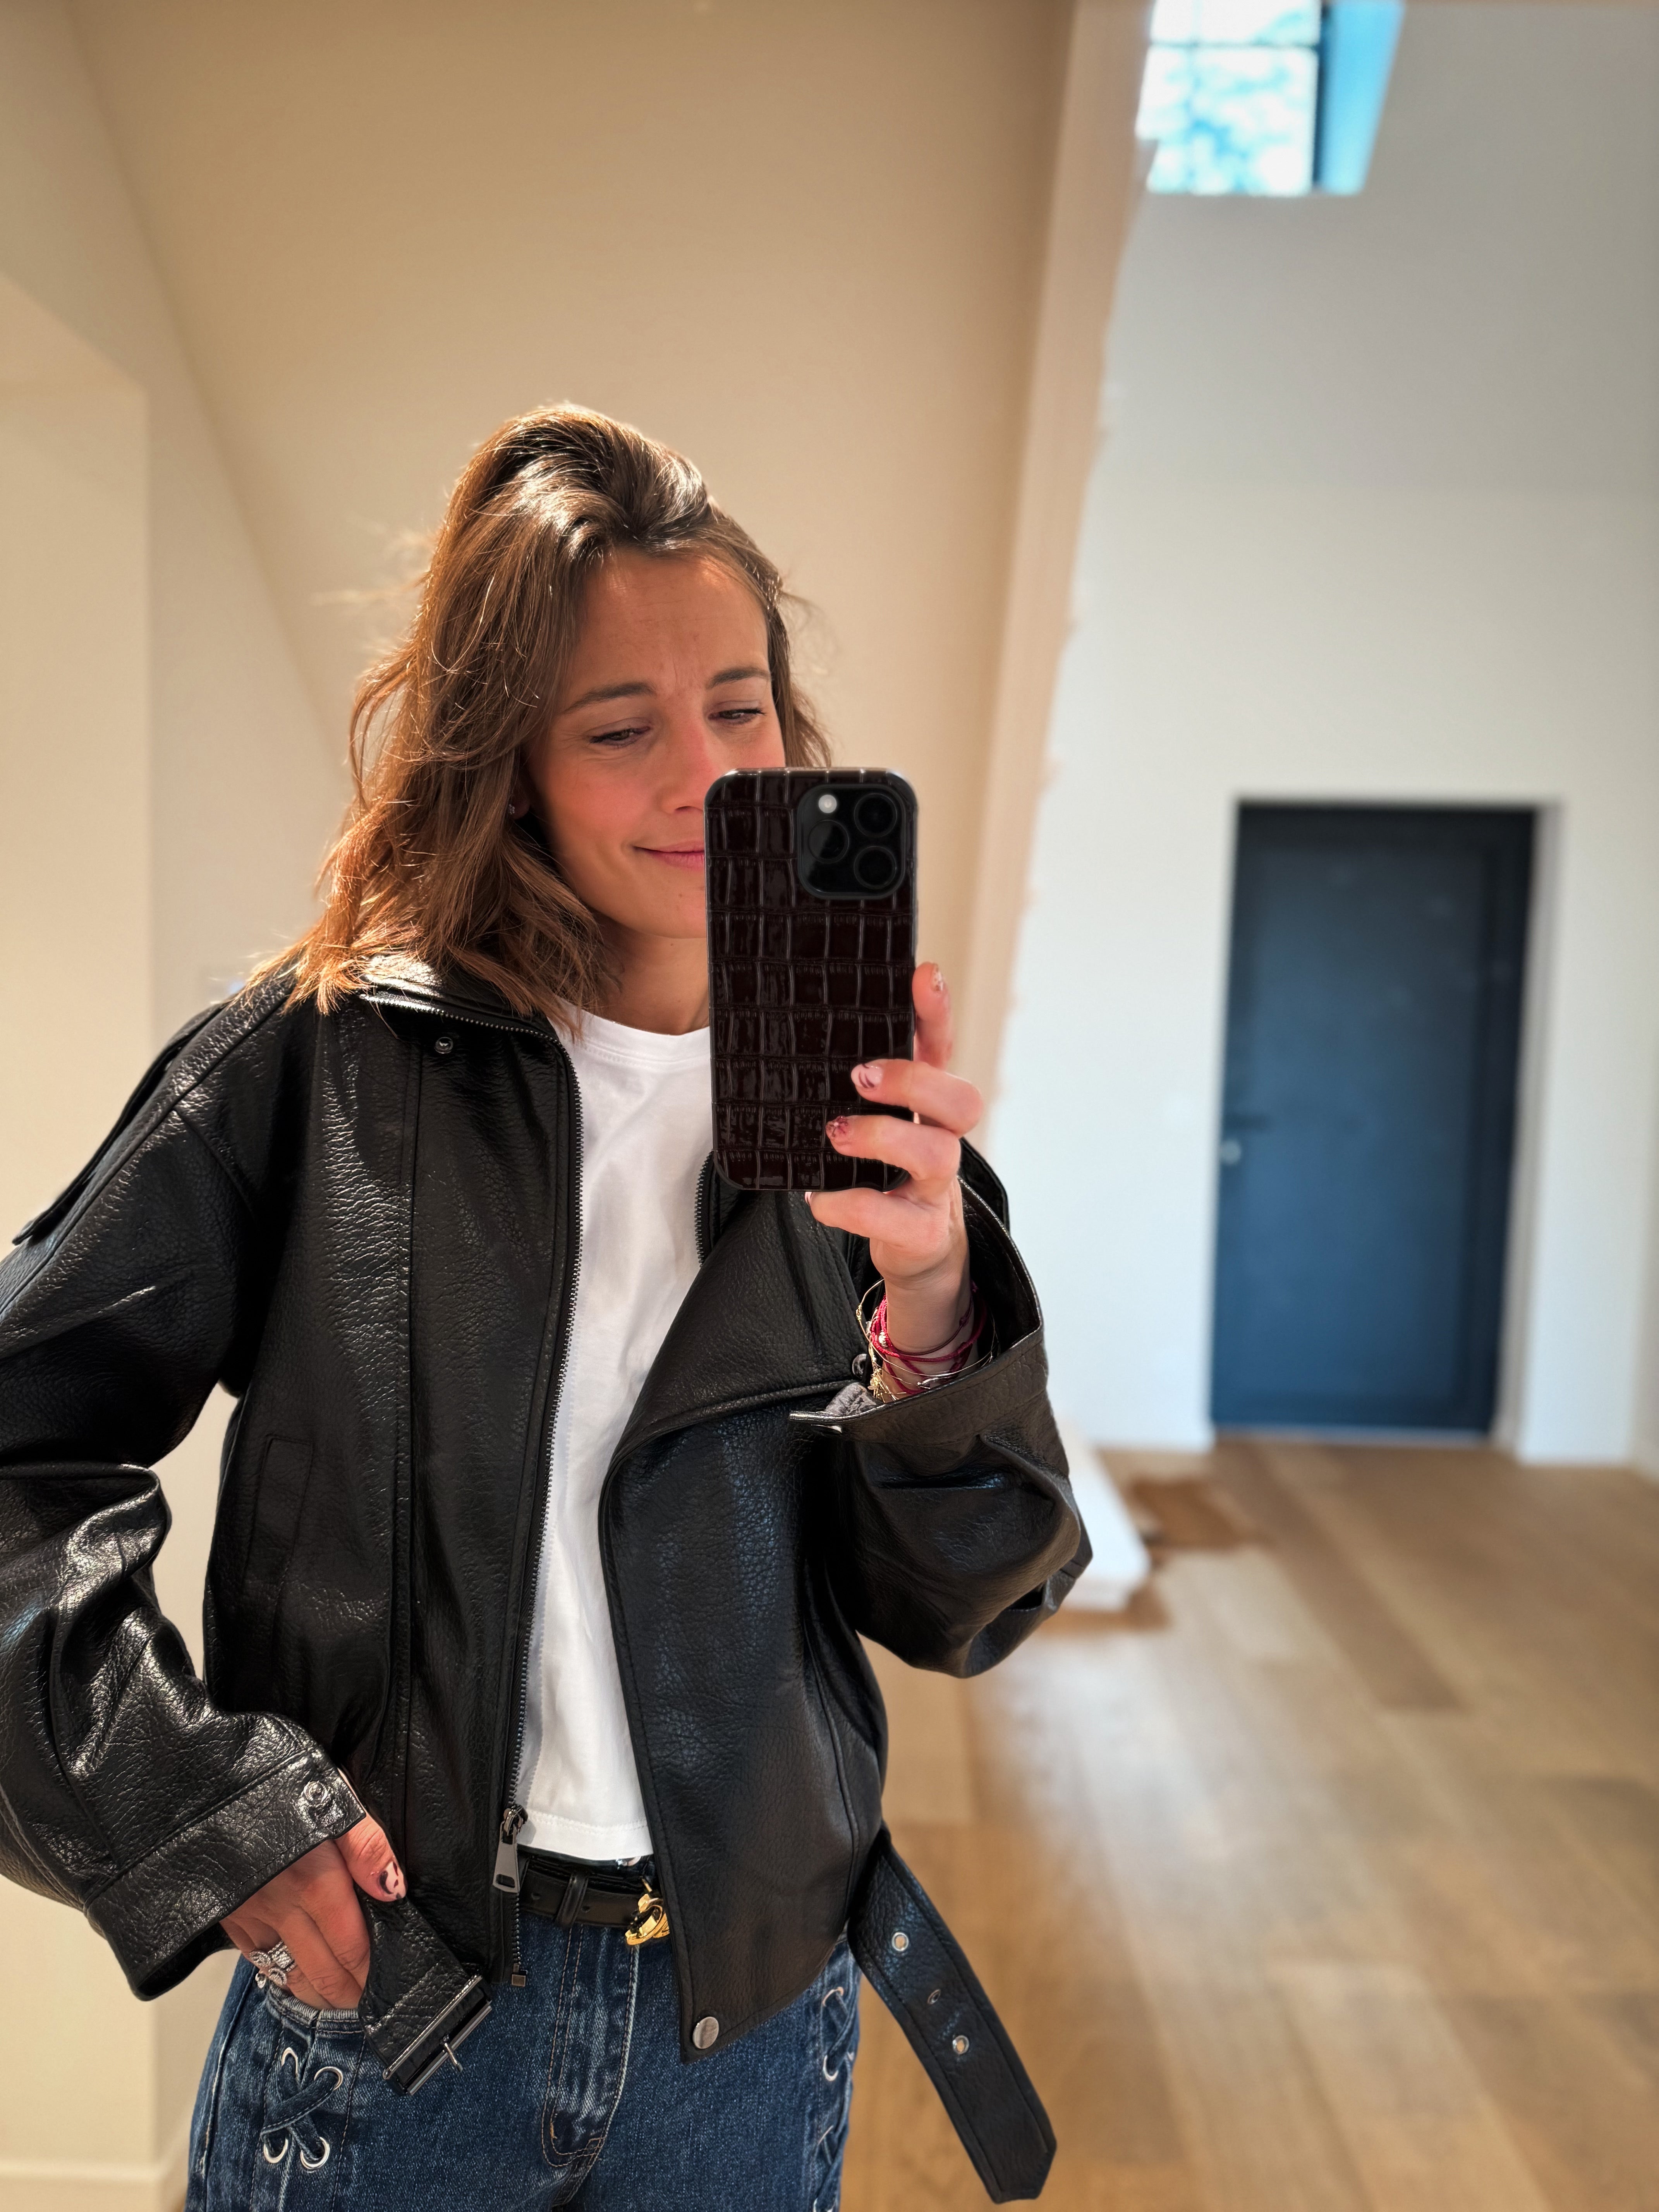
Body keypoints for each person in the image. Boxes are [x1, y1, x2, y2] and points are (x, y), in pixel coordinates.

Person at [0, 407, 1084, 2209]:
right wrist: (197, 1811)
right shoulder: (321, 1069)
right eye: (621, 727)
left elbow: (964, 1606)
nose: (706, 776)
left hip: (741, 2044)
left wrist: (938, 1298)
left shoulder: (853, 1121)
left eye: (740, 706)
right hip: (391, 2027)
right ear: (510, 763)